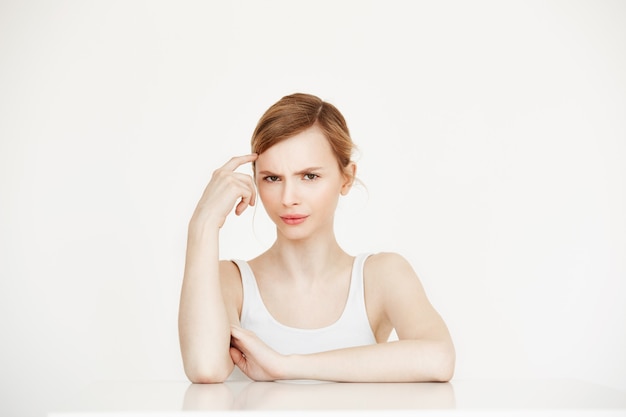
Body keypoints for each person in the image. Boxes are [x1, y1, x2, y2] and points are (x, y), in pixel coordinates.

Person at [178, 93, 455, 383]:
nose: (288, 198)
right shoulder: (229, 280)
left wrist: (285, 366)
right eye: (272, 178)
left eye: (309, 176)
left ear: (346, 178)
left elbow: (439, 358)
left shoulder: (381, 275)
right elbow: (205, 367)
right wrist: (203, 224)